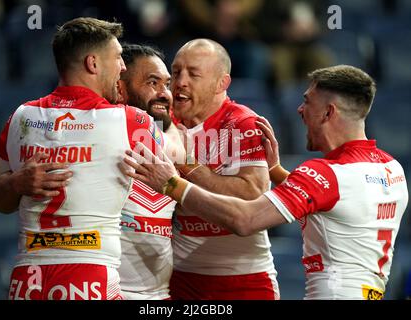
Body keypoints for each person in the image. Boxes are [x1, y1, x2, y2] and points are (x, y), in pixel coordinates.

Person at [124, 64, 409, 299]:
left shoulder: (325, 174)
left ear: (328, 112)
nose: (299, 109)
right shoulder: (391, 169)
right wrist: (275, 171)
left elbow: (245, 221)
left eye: (307, 101)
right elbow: (339, 206)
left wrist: (172, 184)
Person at [0, 17, 163, 300]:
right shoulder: (131, 121)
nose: (122, 67)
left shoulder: (21, 117)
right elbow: (179, 171)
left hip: (27, 281)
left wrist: (15, 185)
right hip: (89, 278)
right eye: (118, 58)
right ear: (93, 64)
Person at [164, 38, 280, 300]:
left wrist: (188, 165)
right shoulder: (162, 121)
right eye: (175, 72)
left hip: (243, 279)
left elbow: (252, 197)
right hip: (179, 277)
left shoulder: (242, 123)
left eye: (193, 74)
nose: (180, 81)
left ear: (221, 83)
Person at [116, 44, 178, 300]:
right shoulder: (110, 128)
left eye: (167, 84)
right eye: (153, 82)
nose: (165, 94)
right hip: (110, 291)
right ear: (120, 87)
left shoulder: (170, 137)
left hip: (159, 295)